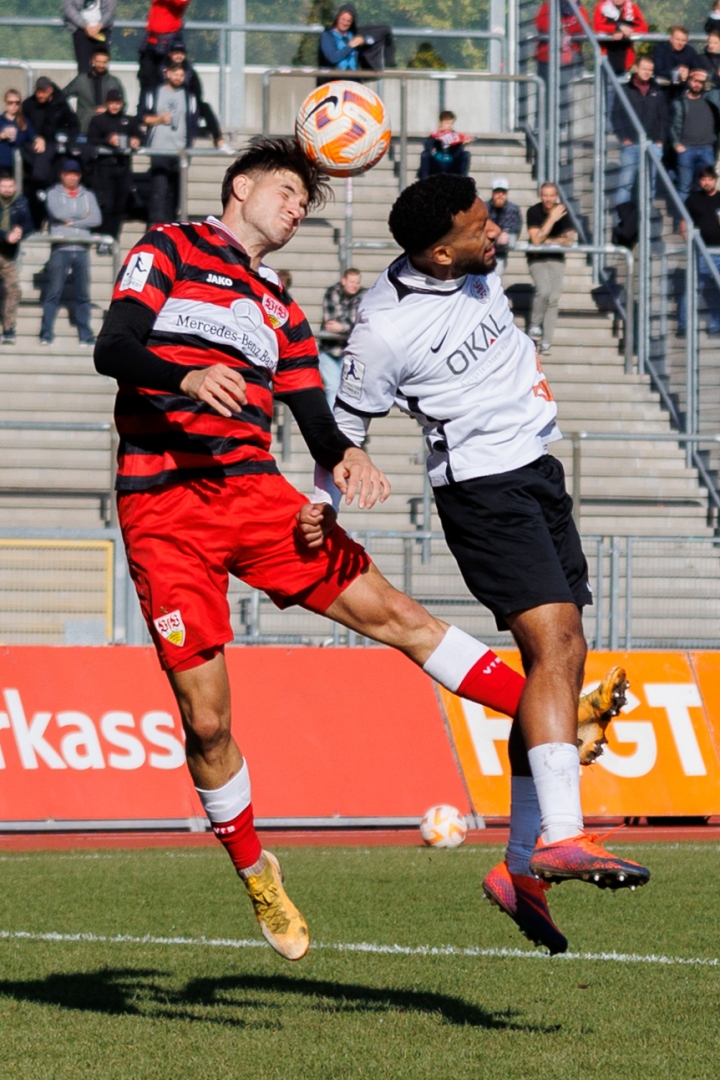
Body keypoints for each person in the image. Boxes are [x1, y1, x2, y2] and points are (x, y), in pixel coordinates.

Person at [93, 139, 637, 961]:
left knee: (400, 616)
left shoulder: (281, 308)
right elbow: (115, 345)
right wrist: (184, 378)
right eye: (285, 191)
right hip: (164, 508)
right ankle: (257, 872)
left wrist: (342, 463)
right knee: (206, 722)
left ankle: (562, 720)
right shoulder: (169, 247)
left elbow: (318, 417)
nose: (295, 209)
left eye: (304, 203)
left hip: (255, 496)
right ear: (239, 187)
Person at [317, 172, 648, 954]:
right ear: (440, 252)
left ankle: (520, 868)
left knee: (560, 661)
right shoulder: (383, 330)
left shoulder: (473, 265)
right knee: (555, 646)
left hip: (537, 468)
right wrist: (322, 507)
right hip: (483, 490)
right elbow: (342, 430)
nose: (494, 232)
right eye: (478, 228)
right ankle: (560, 836)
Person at [40, 158, 101, 346]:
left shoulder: (88, 195)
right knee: (53, 293)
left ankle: (85, 334)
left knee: (83, 295)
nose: (72, 177)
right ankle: (46, 332)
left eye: (75, 174)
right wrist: (83, 217)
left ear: (79, 176)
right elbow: (58, 213)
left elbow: (96, 219)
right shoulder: (53, 193)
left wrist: (72, 222)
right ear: (62, 175)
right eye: (68, 174)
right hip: (61, 248)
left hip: (82, 249)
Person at [142, 61, 198, 226]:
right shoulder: (155, 92)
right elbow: (143, 117)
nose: (178, 78)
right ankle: (155, 227)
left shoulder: (189, 96)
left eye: (181, 75)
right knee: (159, 190)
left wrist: (190, 142)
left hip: (179, 150)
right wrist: (159, 119)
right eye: (175, 74)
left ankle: (171, 228)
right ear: (167, 74)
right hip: (159, 148)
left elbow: (193, 121)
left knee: (174, 194)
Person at [22, 78, 80, 230]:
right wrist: (35, 138)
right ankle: (35, 225)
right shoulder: (28, 104)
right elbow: (23, 126)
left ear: (50, 91)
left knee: (52, 189)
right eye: (38, 91)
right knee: (34, 187)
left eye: (43, 92)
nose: (40, 95)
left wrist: (63, 137)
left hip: (55, 153)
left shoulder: (60, 104)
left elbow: (73, 125)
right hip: (33, 151)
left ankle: (52, 222)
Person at [526, 182, 576, 352]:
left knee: (553, 298)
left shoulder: (563, 211)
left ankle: (547, 340)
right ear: (541, 196)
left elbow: (569, 240)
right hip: (537, 258)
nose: (548, 199)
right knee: (544, 290)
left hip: (556, 257)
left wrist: (549, 240)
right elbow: (536, 240)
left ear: (556, 197)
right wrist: (552, 219)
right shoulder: (533, 211)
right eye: (545, 195)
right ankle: (535, 325)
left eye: (551, 196)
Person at [86, 89, 142, 239]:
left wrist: (136, 140)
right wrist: (107, 140)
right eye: (111, 103)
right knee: (106, 205)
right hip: (104, 169)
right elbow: (91, 139)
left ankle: (113, 239)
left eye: (117, 103)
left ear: (122, 104)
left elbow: (140, 135)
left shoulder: (129, 120)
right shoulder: (98, 120)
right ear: (106, 103)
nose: (115, 106)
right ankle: (103, 239)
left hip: (123, 168)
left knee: (120, 206)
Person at [612, 56, 668, 204]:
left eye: (650, 70)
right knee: (625, 185)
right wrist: (624, 137)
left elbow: (664, 117)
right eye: (644, 69)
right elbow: (616, 116)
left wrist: (660, 141)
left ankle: (645, 218)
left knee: (650, 185)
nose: (647, 72)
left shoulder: (657, 91)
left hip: (652, 144)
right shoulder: (625, 90)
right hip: (631, 145)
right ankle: (622, 218)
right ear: (636, 68)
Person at [153, 40, 228, 150]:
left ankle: (219, 140)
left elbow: (197, 92)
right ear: (170, 54)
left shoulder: (189, 71)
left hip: (186, 102)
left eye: (181, 53)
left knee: (205, 107)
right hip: (165, 104)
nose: (179, 56)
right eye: (176, 53)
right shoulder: (160, 70)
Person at [679, 165, 720, 334]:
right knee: (693, 288)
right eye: (703, 179)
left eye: (710, 179)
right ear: (699, 181)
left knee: (717, 289)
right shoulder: (693, 199)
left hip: (719, 251)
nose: (707, 182)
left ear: (715, 180)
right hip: (701, 252)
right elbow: (683, 223)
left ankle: (716, 325)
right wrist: (689, 242)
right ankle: (684, 325)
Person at [318, 268, 365, 407]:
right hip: (330, 351)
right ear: (343, 281)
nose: (355, 285)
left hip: (353, 352)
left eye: (357, 282)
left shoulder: (363, 296)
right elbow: (331, 323)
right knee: (333, 387)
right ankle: (333, 420)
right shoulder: (332, 293)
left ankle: (347, 420)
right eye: (352, 282)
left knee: (352, 391)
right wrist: (350, 327)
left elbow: (361, 324)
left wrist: (342, 328)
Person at [670, 68, 719, 199]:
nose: (697, 84)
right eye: (695, 81)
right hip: (686, 149)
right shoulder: (679, 102)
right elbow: (672, 125)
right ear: (689, 81)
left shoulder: (710, 101)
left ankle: (701, 213)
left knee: (705, 188)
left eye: (701, 82)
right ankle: (682, 213)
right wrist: (676, 144)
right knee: (684, 188)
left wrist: (708, 76)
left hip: (706, 149)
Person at [0, 170, 33, 345]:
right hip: (4, 244)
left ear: (15, 187)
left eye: (10, 186)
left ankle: (8, 328)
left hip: (8, 255)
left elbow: (29, 224)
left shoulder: (21, 202)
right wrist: (6, 235)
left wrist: (20, 230)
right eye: (3, 186)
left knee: (13, 290)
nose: (7, 189)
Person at [63, 46, 124, 136]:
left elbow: (123, 104)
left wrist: (109, 109)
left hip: (107, 131)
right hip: (84, 128)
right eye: (98, 61)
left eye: (104, 62)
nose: (101, 65)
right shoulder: (81, 80)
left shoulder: (113, 82)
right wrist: (71, 117)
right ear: (92, 61)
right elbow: (61, 97)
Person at [138, 0, 193, 95]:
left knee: (168, 78)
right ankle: (146, 103)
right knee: (146, 77)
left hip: (169, 42)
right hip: (151, 40)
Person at [318, 5, 395, 73]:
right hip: (334, 78)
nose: (345, 23)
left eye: (349, 21)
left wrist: (364, 40)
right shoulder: (327, 35)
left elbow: (381, 32)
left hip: (355, 77)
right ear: (337, 18)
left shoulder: (353, 34)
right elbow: (332, 57)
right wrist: (350, 46)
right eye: (343, 19)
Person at [534, 1, 589, 86]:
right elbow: (542, 25)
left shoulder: (579, 9)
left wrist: (567, 29)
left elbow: (583, 27)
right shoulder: (548, 7)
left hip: (569, 59)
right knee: (546, 89)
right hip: (547, 58)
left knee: (565, 89)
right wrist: (561, 28)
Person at [593, 0, 648, 76]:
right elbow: (597, 27)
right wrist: (617, 27)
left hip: (625, 58)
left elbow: (644, 27)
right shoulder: (602, 7)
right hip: (605, 55)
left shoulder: (632, 8)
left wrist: (628, 31)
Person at [63, 0, 117, 75]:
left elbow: (110, 10)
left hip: (103, 30)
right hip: (80, 30)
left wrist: (99, 25)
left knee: (101, 65)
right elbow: (68, 8)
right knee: (83, 68)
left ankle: (101, 82)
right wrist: (85, 26)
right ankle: (85, 82)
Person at [419, 111, 473, 180]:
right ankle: (424, 182)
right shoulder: (434, 135)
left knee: (466, 154)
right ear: (440, 123)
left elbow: (457, 154)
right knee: (425, 155)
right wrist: (437, 138)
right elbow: (427, 146)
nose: (449, 126)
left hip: (450, 164)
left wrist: (462, 144)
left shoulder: (456, 137)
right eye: (447, 123)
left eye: (451, 123)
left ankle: (462, 182)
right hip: (436, 164)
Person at [485, 177, 522, 277]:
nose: (500, 195)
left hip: (500, 252)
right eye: (497, 192)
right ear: (492, 193)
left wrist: (505, 233)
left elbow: (515, 229)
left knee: (510, 240)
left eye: (503, 192)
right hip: (482, 251)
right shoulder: (483, 208)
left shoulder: (513, 209)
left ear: (507, 194)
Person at [653, 26, 699, 98]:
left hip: (684, 92)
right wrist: (676, 72)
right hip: (663, 91)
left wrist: (688, 73)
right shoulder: (661, 50)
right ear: (671, 39)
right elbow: (657, 70)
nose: (680, 43)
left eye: (683, 40)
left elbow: (697, 70)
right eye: (677, 39)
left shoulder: (690, 52)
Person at [0, 89, 37, 174]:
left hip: (19, 165)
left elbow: (33, 136)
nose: (14, 105)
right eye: (10, 103)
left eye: (17, 103)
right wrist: (2, 135)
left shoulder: (24, 121)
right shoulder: (0, 120)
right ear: (5, 103)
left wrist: (39, 140)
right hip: (1, 164)